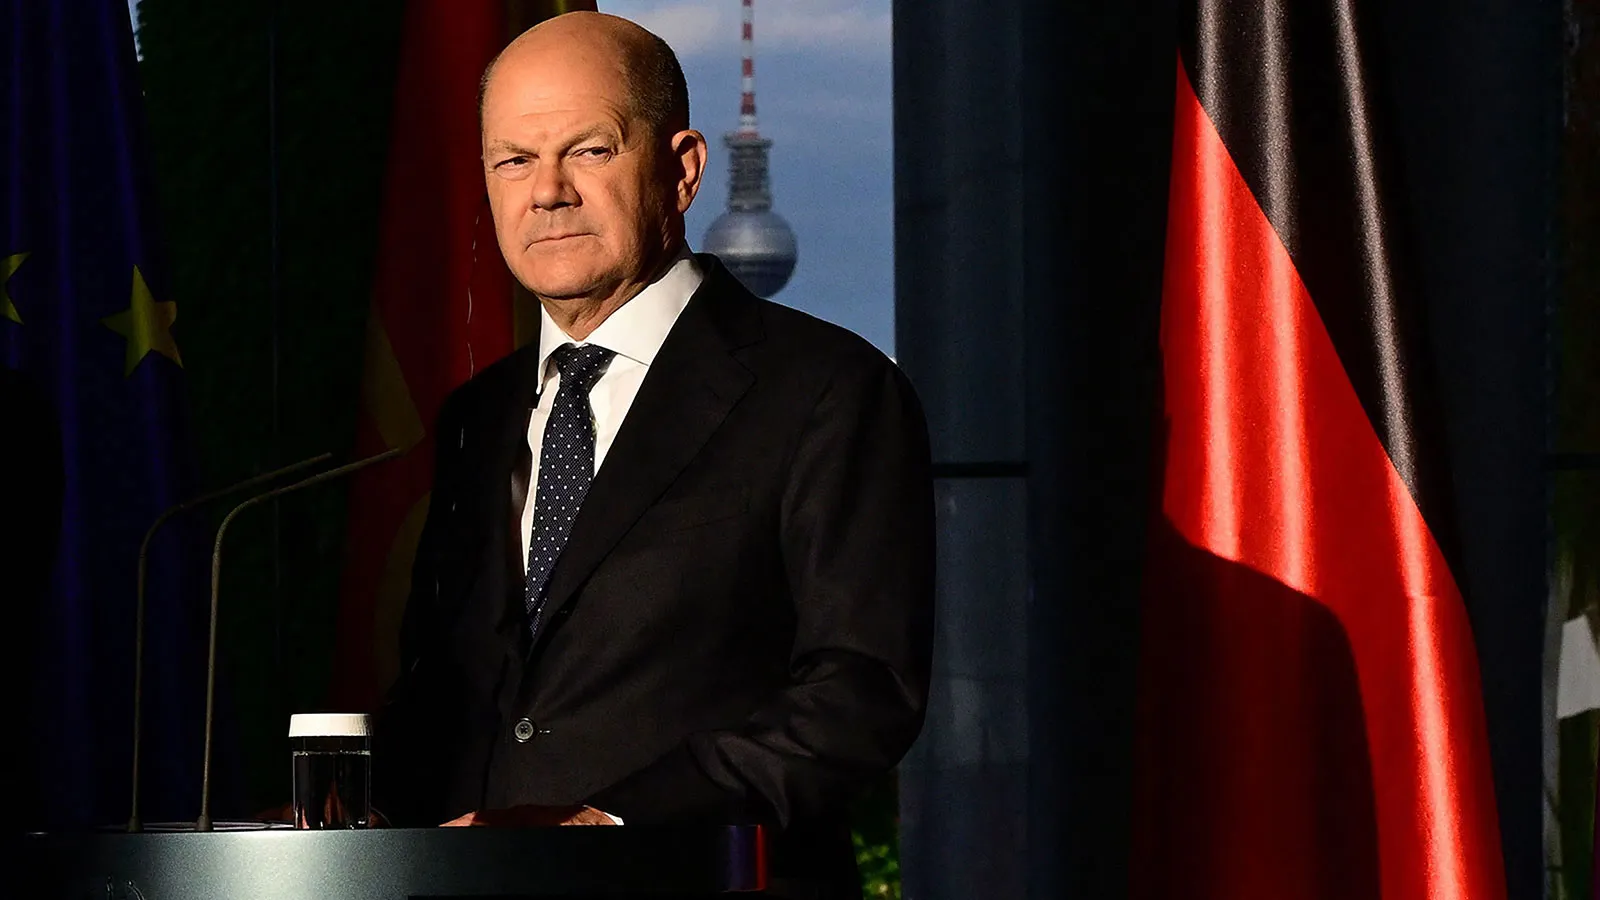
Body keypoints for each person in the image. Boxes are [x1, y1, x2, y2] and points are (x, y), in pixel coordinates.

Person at [374, 12, 934, 897]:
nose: (546, 191)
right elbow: (451, 691)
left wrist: (613, 824)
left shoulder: (826, 390)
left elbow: (861, 689)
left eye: (588, 150)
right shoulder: (474, 418)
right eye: (513, 160)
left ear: (682, 170)